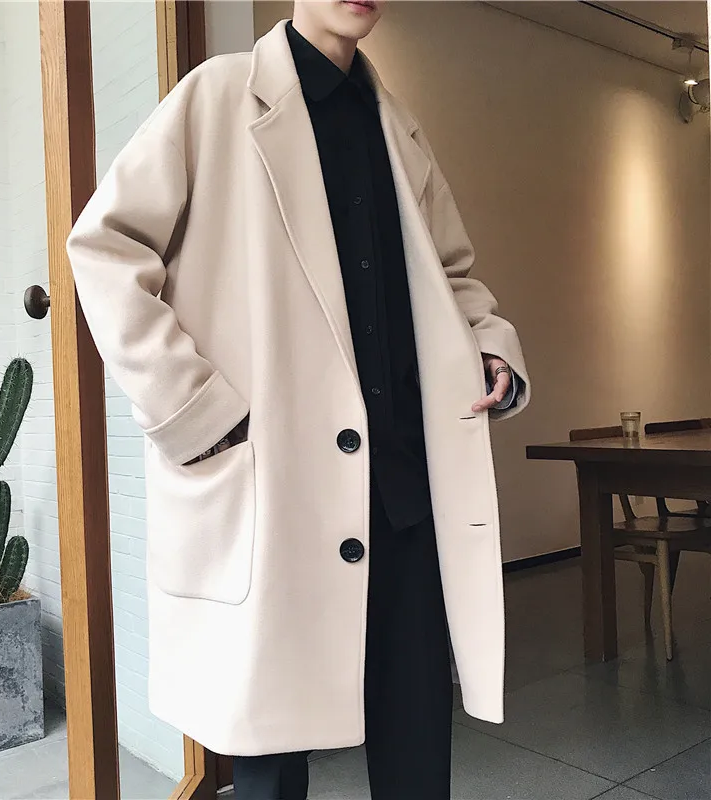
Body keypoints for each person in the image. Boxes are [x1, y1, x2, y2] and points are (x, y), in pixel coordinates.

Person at [67, 1, 530, 798]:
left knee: (416, 741)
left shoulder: (399, 129)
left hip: (403, 492)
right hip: (275, 488)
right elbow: (104, 247)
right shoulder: (218, 95)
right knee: (271, 758)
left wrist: (491, 342)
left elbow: (453, 274)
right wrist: (193, 410)